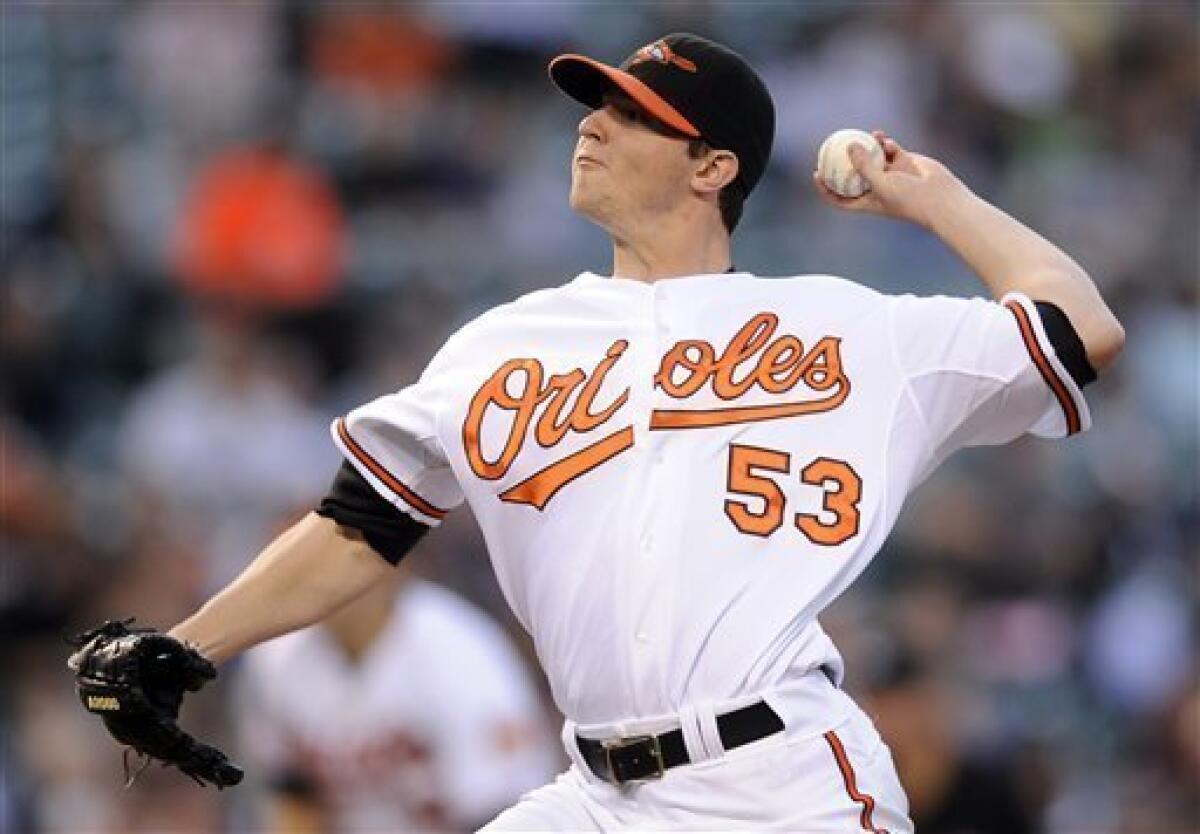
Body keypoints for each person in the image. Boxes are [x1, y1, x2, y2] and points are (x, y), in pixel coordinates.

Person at [80, 33, 1123, 830]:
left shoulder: (846, 328)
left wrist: (932, 196)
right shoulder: (508, 342)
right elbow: (361, 525)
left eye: (633, 113)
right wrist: (189, 645)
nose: (593, 124)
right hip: (593, 792)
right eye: (596, 105)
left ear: (713, 166)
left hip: (779, 781)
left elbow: (1081, 329)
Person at [237, 568, 558, 832]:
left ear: (392, 566)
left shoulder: (460, 653)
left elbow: (503, 811)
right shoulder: (276, 658)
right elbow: (293, 795)